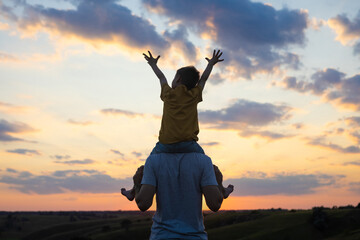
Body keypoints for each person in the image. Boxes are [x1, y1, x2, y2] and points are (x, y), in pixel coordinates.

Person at [121, 50, 233, 201]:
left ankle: (133, 191)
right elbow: (204, 79)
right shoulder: (194, 94)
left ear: (178, 79)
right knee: (208, 165)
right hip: (189, 145)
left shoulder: (168, 94)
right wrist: (211, 64)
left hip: (165, 145)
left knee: (148, 167)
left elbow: (161, 77)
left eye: (174, 78)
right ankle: (221, 189)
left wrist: (153, 64)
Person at [134, 152, 229, 239]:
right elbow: (215, 204)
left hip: (162, 236)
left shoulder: (153, 160)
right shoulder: (204, 160)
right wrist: (219, 182)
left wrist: (137, 185)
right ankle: (223, 190)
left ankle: (132, 191)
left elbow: (143, 204)